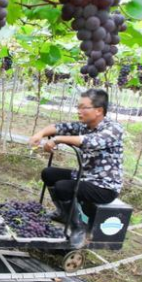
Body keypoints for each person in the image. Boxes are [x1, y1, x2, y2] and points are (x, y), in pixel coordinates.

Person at [30, 89, 124, 248]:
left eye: (83, 107)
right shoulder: (84, 126)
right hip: (86, 176)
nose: (79, 111)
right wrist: (40, 134)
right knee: (49, 174)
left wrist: (58, 140)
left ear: (99, 110)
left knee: (63, 187)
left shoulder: (113, 129)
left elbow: (89, 142)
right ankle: (63, 213)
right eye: (78, 107)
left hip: (104, 186)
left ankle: (78, 228)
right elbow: (58, 127)